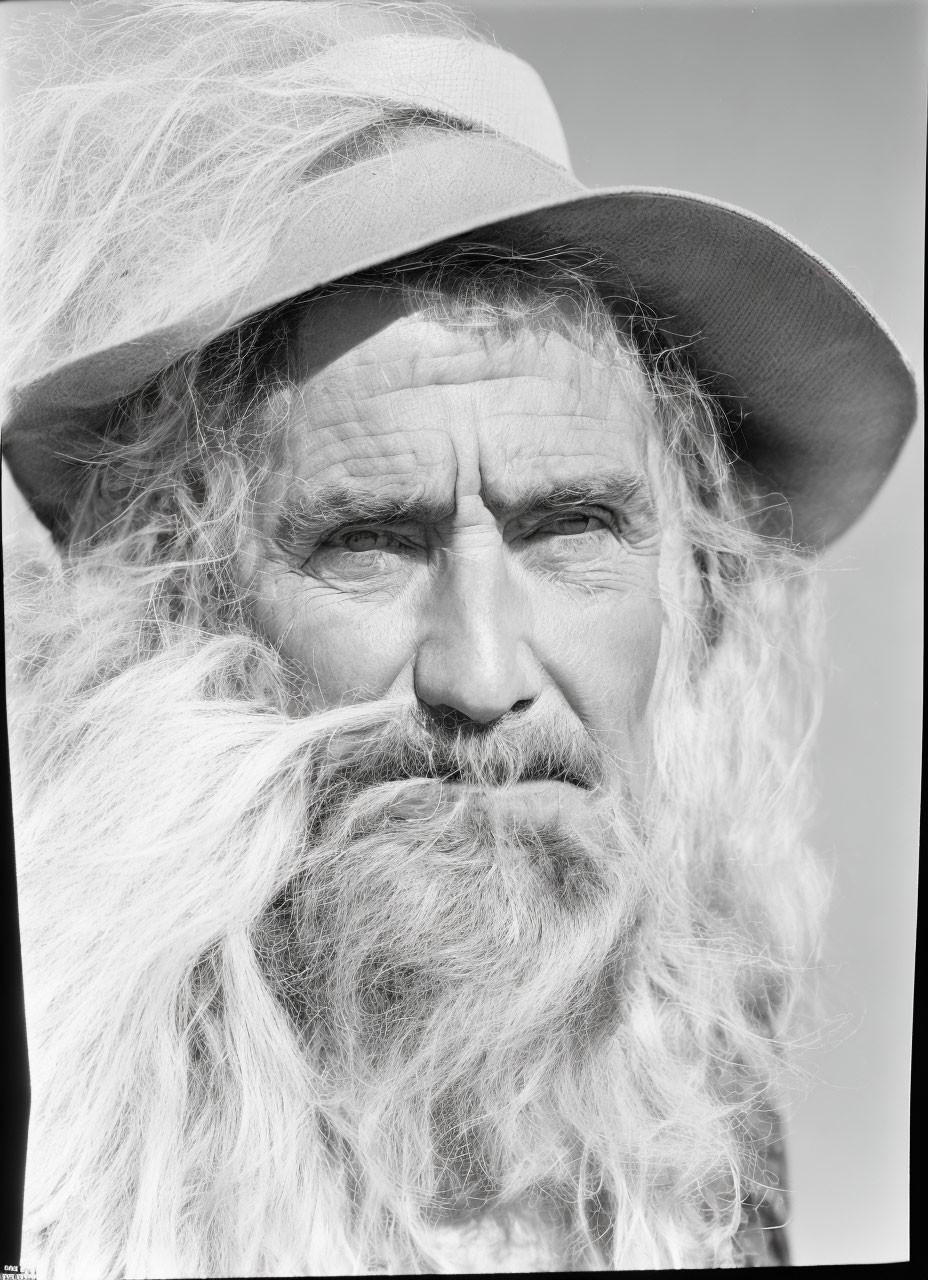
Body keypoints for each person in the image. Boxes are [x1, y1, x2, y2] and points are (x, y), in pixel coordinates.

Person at [0, 0, 916, 1274]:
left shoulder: (695, 1130)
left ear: (690, 584)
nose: (481, 677)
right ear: (186, 611)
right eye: (368, 540)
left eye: (571, 528)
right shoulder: (66, 1171)